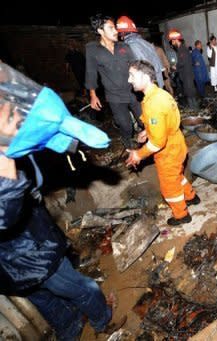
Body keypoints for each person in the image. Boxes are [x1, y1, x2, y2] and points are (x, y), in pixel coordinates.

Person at [0, 61, 123, 340]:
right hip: (32, 254)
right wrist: (7, 171)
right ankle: (103, 320)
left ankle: (69, 326)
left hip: (10, 271)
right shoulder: (4, 164)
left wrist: (62, 139)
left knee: (43, 299)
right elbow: (4, 214)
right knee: (83, 288)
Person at [125, 60, 200, 225]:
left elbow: (158, 143)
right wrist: (148, 131)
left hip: (168, 152)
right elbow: (163, 121)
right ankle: (191, 196)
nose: (129, 80)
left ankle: (181, 215)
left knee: (169, 186)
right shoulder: (160, 93)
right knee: (178, 175)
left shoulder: (153, 103)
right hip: (178, 144)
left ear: (145, 77)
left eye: (132, 75)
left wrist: (139, 154)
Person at [85, 14, 142, 148]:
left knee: (144, 120)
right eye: (111, 28)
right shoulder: (93, 50)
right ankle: (128, 145)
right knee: (126, 126)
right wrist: (93, 95)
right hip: (114, 96)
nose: (116, 31)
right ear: (100, 31)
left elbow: (136, 67)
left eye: (115, 28)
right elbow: (91, 72)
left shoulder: (124, 47)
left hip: (133, 92)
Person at [116, 16, 165, 89]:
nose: (120, 36)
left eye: (120, 34)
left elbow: (144, 66)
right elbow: (158, 63)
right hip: (157, 81)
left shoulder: (132, 45)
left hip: (150, 85)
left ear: (123, 33)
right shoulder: (144, 42)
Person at [167, 29, 199, 110]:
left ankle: (195, 109)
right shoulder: (181, 49)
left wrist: (175, 67)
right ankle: (193, 108)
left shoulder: (182, 49)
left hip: (187, 75)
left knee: (190, 93)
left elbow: (183, 62)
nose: (171, 43)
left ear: (175, 40)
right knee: (189, 93)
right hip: (186, 75)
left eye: (172, 41)